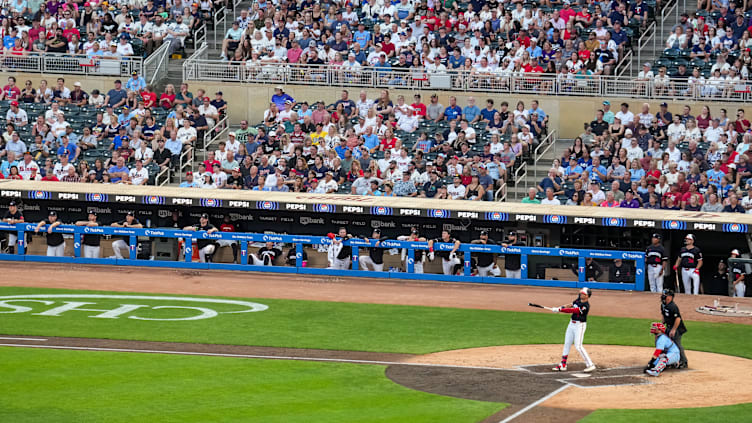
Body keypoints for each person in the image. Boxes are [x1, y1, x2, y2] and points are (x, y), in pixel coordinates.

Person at [551, 287, 596, 373]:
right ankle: (563, 364)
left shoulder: (585, 306)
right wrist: (560, 307)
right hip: (571, 324)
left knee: (578, 346)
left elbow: (573, 310)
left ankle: (590, 364)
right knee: (567, 343)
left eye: (583, 293)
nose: (581, 294)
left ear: (587, 296)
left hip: (580, 326)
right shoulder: (578, 300)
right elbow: (571, 304)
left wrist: (560, 310)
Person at [660, 288, 688, 368]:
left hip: (677, 328)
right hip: (668, 327)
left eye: (665, 295)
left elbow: (678, 318)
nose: (663, 297)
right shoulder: (663, 305)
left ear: (670, 297)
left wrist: (674, 329)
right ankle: (671, 361)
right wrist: (661, 325)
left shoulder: (673, 306)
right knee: (668, 344)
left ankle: (683, 361)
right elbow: (664, 315)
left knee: (677, 344)